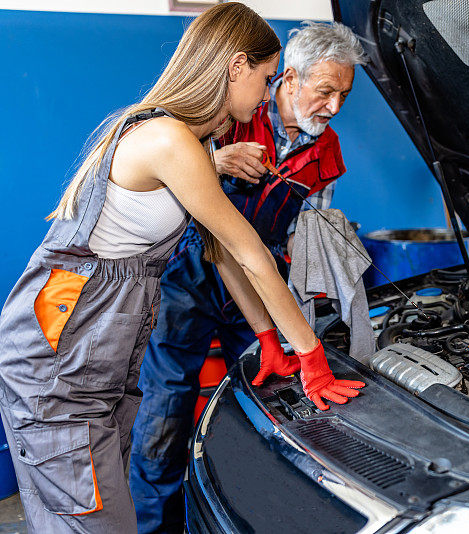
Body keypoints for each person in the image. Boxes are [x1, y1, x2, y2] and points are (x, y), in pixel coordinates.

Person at [0, 5, 363, 532]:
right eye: (265, 80)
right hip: (66, 352)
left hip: (101, 346)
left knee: (88, 506)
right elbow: (247, 251)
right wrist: (309, 355)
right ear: (236, 66)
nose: (266, 96)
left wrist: (267, 336)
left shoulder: (191, 140)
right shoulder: (171, 140)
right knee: (93, 518)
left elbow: (223, 250)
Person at [129, 22, 366, 533]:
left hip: (261, 284)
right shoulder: (236, 107)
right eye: (325, 91)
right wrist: (214, 161)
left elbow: (304, 235)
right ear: (290, 78)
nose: (334, 106)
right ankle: (155, 527)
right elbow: (172, 171)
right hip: (189, 274)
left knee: (258, 403)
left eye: (344, 95)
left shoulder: (328, 151)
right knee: (166, 405)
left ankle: (236, 515)